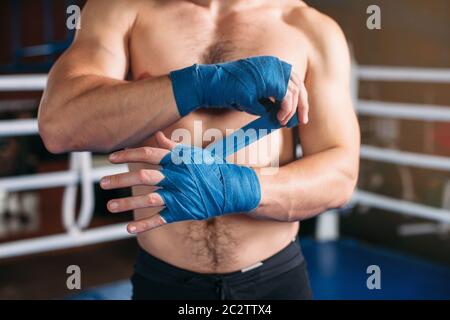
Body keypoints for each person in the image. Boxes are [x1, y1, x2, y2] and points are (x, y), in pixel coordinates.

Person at [38, 0, 360, 300]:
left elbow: (340, 175)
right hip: (164, 282)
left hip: (273, 282)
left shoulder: (308, 28)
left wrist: (237, 189)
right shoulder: (123, 9)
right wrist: (197, 85)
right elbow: (59, 125)